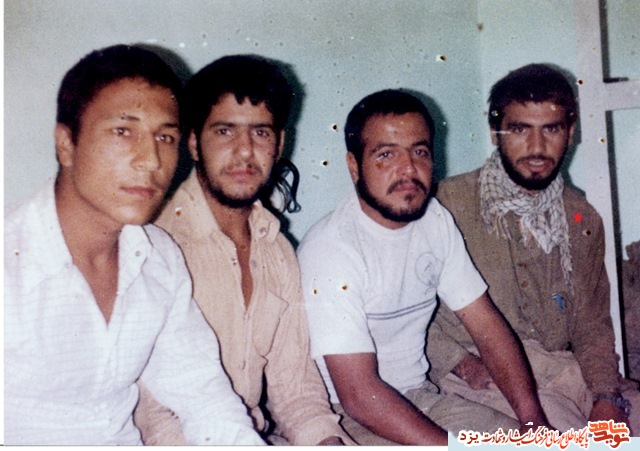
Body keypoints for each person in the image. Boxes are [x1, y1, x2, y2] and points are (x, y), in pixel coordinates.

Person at [3, 44, 264, 446]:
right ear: (66, 144)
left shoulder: (158, 257)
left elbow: (203, 394)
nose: (152, 160)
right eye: (123, 131)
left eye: (165, 137)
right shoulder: (10, 259)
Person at [297, 89, 552, 445]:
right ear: (354, 167)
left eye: (420, 152)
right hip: (347, 414)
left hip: (421, 398)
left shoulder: (434, 220)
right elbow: (358, 396)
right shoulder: (331, 249)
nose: (408, 169)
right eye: (386, 154)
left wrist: (534, 422)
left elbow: (486, 324)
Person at [133, 55, 354, 446]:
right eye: (224, 131)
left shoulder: (278, 250)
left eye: (260, 133)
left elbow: (296, 391)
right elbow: (155, 417)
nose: (245, 151)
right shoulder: (156, 244)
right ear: (193, 142)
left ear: (279, 143)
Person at [427, 63, 639, 434]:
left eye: (551, 129)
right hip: (483, 378)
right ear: (495, 132)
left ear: (570, 132)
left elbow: (592, 323)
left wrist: (606, 394)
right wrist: (461, 363)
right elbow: (403, 311)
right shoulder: (445, 204)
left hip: (564, 372)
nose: (537, 147)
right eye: (520, 129)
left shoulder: (581, 217)